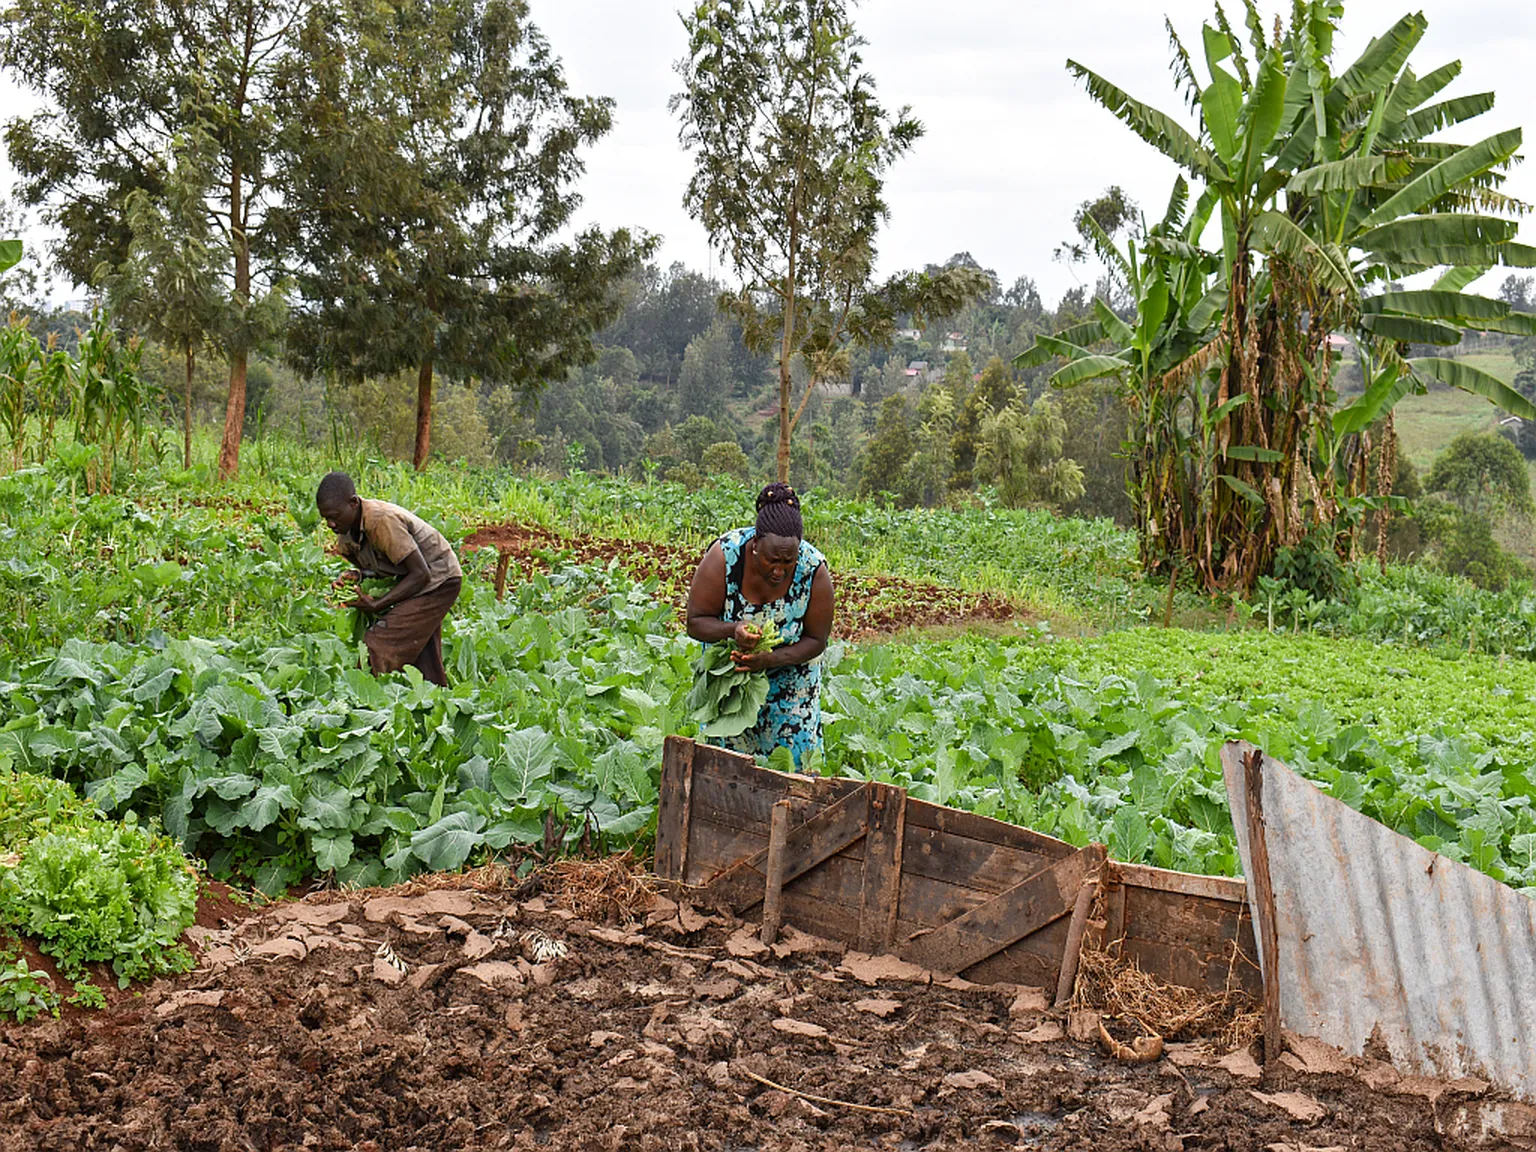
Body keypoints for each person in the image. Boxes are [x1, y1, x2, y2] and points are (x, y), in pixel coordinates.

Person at [685, 482, 835, 767]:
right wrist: (734, 629)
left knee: (792, 771)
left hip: (792, 684)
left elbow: (817, 641)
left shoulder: (813, 570)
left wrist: (770, 659)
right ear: (755, 546)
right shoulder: (724, 556)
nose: (779, 570)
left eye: (787, 562)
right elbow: (695, 622)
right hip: (732, 680)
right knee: (726, 771)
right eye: (771, 560)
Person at [316, 472, 462, 687]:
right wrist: (356, 577)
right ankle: (437, 701)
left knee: (379, 643)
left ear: (354, 503)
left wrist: (376, 605)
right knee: (423, 650)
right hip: (416, 578)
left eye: (335, 516)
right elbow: (379, 567)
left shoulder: (381, 521)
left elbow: (421, 574)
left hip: (440, 579)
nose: (330, 523)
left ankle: (362, 700)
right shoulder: (346, 529)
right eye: (325, 518)